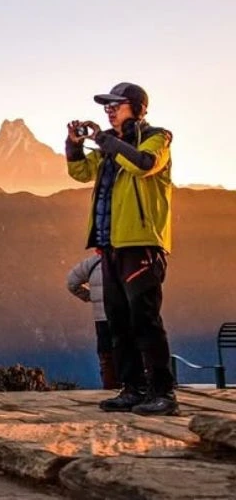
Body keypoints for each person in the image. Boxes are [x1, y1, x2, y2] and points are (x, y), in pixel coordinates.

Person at [67, 82, 177, 416]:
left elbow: (144, 164)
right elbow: (80, 172)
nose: (109, 110)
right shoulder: (107, 151)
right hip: (110, 245)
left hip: (141, 243)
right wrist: (74, 146)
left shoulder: (158, 138)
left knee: (144, 318)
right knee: (119, 320)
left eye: (117, 105)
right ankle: (132, 388)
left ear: (138, 108)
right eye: (107, 106)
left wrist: (106, 140)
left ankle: (163, 392)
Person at [66, 250, 119, 389]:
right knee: (128, 352)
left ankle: (110, 388)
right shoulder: (126, 262)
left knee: (106, 356)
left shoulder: (92, 263)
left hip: (101, 318)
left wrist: (91, 297)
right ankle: (131, 388)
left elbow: (72, 283)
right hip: (124, 317)